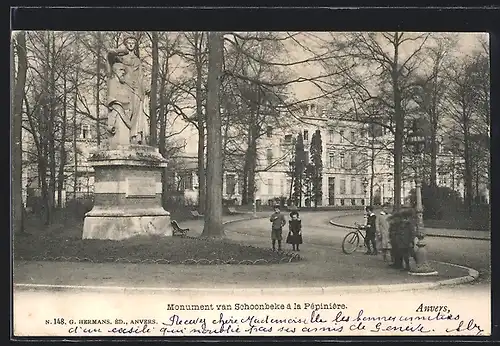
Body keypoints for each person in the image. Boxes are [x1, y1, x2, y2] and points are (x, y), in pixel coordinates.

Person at [107, 35, 150, 145]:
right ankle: (127, 136)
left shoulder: (137, 60)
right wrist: (122, 50)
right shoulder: (121, 58)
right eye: (129, 42)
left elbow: (141, 75)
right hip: (126, 86)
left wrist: (145, 87)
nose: (131, 44)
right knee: (128, 111)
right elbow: (110, 55)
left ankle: (135, 136)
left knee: (137, 113)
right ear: (126, 44)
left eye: (133, 43)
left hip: (137, 89)